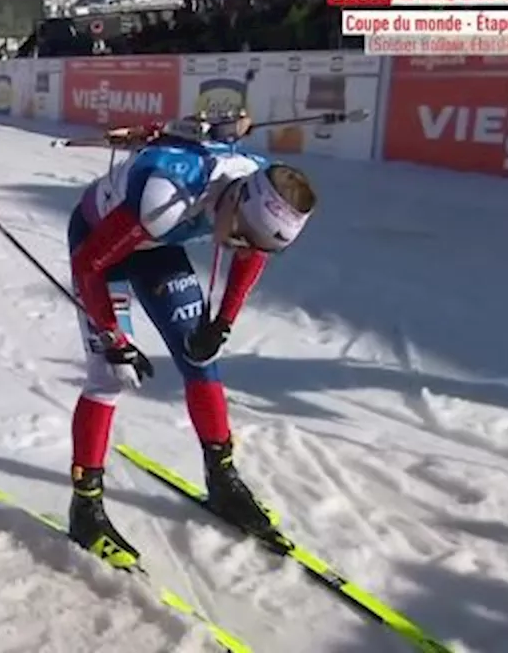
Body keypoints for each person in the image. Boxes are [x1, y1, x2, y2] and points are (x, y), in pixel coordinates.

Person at [62, 113, 317, 570]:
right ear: (235, 205)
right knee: (109, 376)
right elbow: (89, 265)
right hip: (101, 244)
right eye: (240, 235)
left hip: (154, 248)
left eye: (255, 242)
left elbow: (250, 252)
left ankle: (222, 479)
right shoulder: (166, 198)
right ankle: (85, 508)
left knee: (201, 357)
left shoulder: (252, 191)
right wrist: (113, 336)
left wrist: (221, 324)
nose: (242, 247)